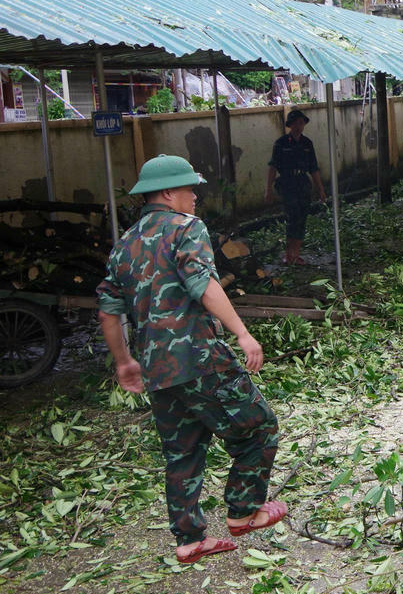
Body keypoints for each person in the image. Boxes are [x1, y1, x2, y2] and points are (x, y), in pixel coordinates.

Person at [97, 155, 285, 565]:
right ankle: (244, 512)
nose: (195, 196)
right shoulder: (186, 228)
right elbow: (203, 284)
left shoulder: (125, 244)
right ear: (167, 193)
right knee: (259, 426)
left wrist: (124, 361)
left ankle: (189, 541)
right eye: (189, 188)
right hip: (199, 358)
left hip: (156, 368)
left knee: (182, 451)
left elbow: (109, 312)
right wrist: (242, 332)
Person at [265, 109, 327, 264]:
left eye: (301, 123)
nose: (298, 126)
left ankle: (296, 253)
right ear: (290, 125)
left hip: (302, 183)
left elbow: (314, 168)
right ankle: (288, 254)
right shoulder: (281, 143)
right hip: (287, 183)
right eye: (295, 123)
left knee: (302, 217)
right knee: (292, 216)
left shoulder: (307, 144)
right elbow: (273, 167)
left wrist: (320, 189)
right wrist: (268, 189)